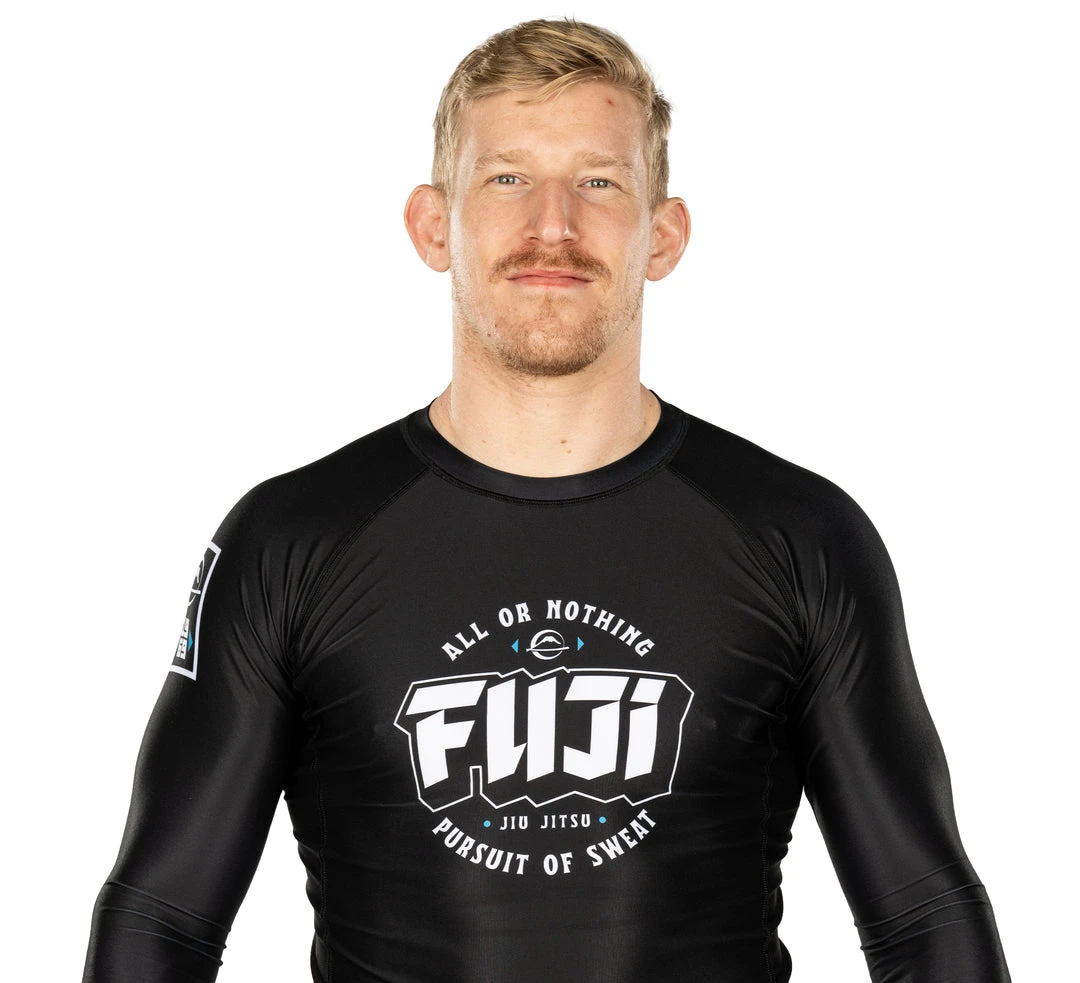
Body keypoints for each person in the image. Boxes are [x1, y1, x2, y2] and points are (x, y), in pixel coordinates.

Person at [83, 18, 1011, 983]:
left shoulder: (802, 539)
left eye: (599, 183)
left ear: (665, 234)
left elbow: (928, 925)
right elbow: (159, 923)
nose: (553, 227)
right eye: (507, 178)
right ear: (432, 226)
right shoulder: (290, 543)